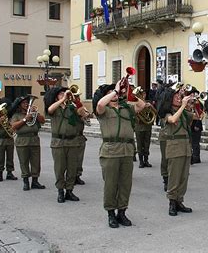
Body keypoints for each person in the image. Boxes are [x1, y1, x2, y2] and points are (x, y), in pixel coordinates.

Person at [94, 81, 146, 228]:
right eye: (109, 93)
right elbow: (100, 105)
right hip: (110, 150)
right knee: (111, 184)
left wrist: (130, 94)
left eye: (115, 93)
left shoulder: (126, 108)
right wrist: (115, 91)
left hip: (127, 150)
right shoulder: (104, 110)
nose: (115, 95)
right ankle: (111, 213)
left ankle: (122, 212)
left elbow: (141, 106)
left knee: (125, 184)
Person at [157, 86, 198, 216]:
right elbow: (173, 120)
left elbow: (198, 117)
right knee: (174, 177)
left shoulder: (184, 112)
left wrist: (192, 104)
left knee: (183, 177)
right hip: (174, 147)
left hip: (185, 147)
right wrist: (183, 106)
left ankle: (179, 201)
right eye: (176, 97)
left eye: (179, 96)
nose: (179, 98)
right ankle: (172, 203)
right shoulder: (167, 113)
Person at [45, 87, 88, 203]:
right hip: (58, 142)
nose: (64, 95)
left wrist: (75, 101)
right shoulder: (55, 108)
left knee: (72, 168)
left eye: (65, 93)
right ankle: (60, 191)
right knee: (59, 168)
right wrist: (62, 99)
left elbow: (84, 114)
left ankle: (69, 190)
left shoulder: (72, 107)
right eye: (61, 94)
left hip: (73, 142)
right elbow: (49, 110)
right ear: (56, 97)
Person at [10, 95, 46, 191]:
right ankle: (26, 181)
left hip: (34, 140)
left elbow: (43, 121)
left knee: (36, 162)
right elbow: (13, 126)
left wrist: (36, 114)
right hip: (22, 140)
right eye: (24, 103)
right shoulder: (16, 115)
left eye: (27, 103)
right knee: (24, 162)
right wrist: (25, 119)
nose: (26, 104)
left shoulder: (33, 113)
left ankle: (35, 181)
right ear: (19, 105)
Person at [0, 98, 17, 182]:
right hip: (0, 139)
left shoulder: (9, 116)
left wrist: (9, 123)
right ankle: (0, 173)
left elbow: (13, 126)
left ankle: (9, 173)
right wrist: (0, 122)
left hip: (9, 139)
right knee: (0, 157)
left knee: (10, 157)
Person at [134, 89, 154, 168]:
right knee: (139, 144)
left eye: (144, 94)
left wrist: (151, 106)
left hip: (147, 127)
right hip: (139, 127)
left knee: (146, 144)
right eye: (141, 94)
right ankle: (141, 161)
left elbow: (155, 113)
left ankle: (146, 160)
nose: (143, 95)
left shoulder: (148, 102)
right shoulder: (136, 104)